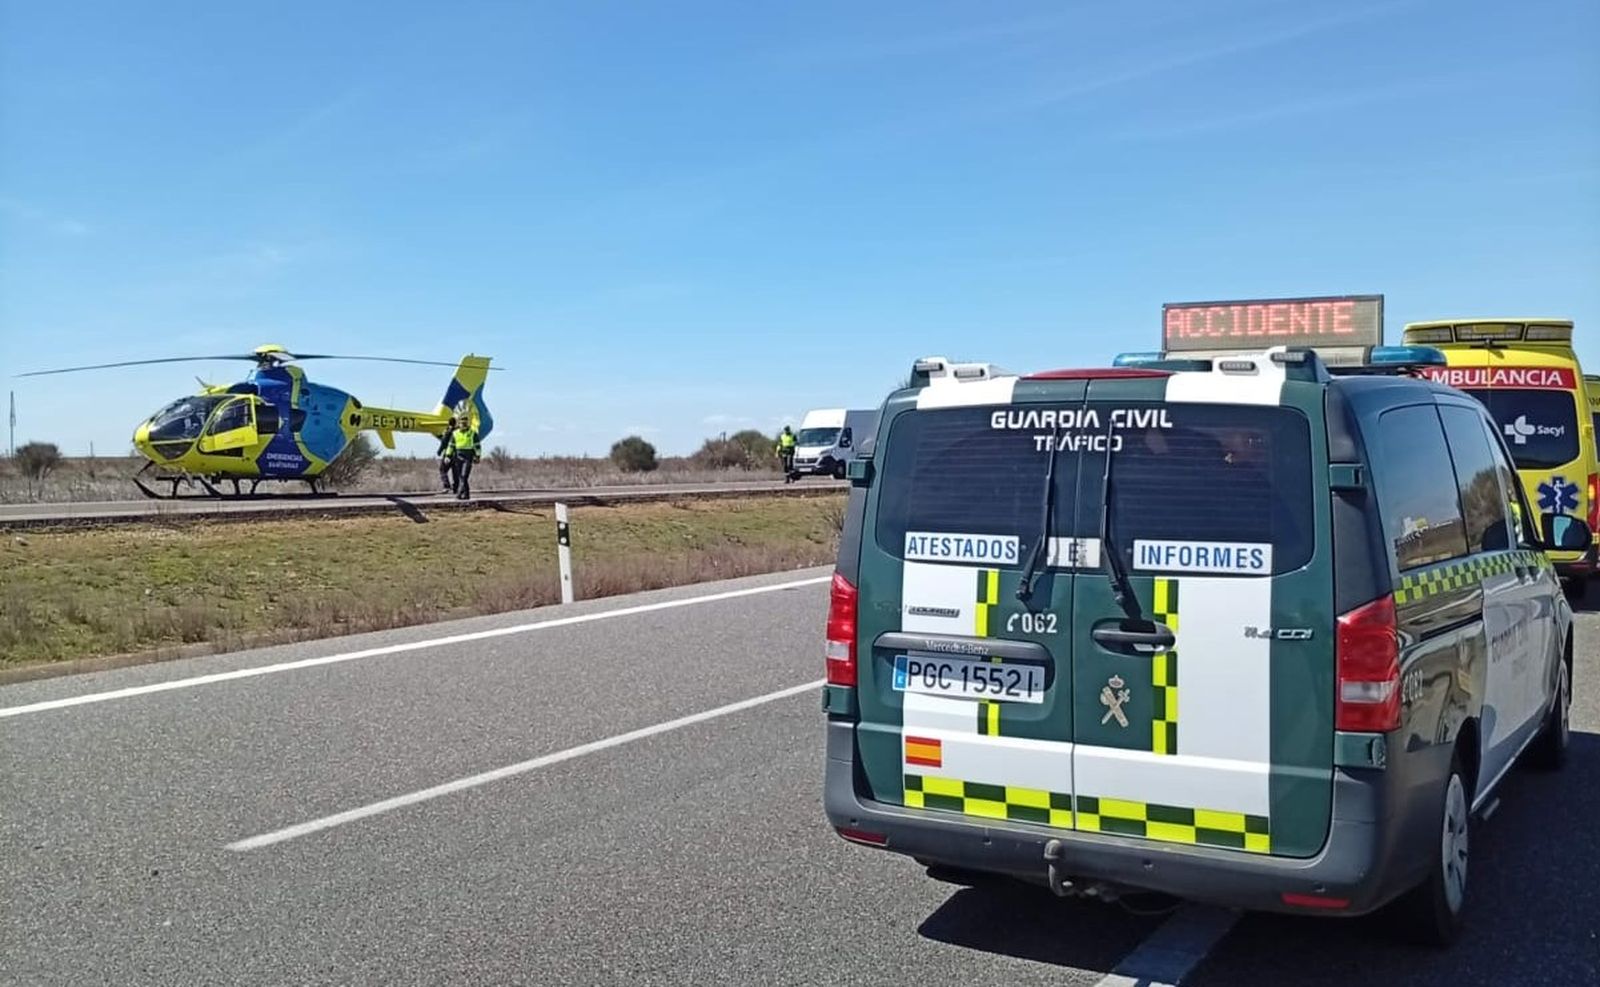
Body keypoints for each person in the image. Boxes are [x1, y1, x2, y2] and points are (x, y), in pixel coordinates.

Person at [451, 416, 481, 499]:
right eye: (462, 423)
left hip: (468, 456)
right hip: (458, 455)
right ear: (459, 424)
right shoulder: (455, 433)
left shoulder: (472, 433)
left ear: (468, 424)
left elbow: (477, 446)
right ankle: (465, 494)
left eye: (465, 423)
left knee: (464, 475)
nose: (463, 425)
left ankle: (461, 493)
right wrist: (448, 455)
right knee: (460, 476)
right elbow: (451, 445)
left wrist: (477, 456)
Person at [436, 417, 459, 493]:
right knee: (455, 472)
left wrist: (439, 451)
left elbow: (444, 442)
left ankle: (446, 486)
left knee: (442, 469)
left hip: (448, 454)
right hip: (457, 454)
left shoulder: (448, 432)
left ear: (448, 423)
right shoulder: (458, 432)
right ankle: (456, 488)